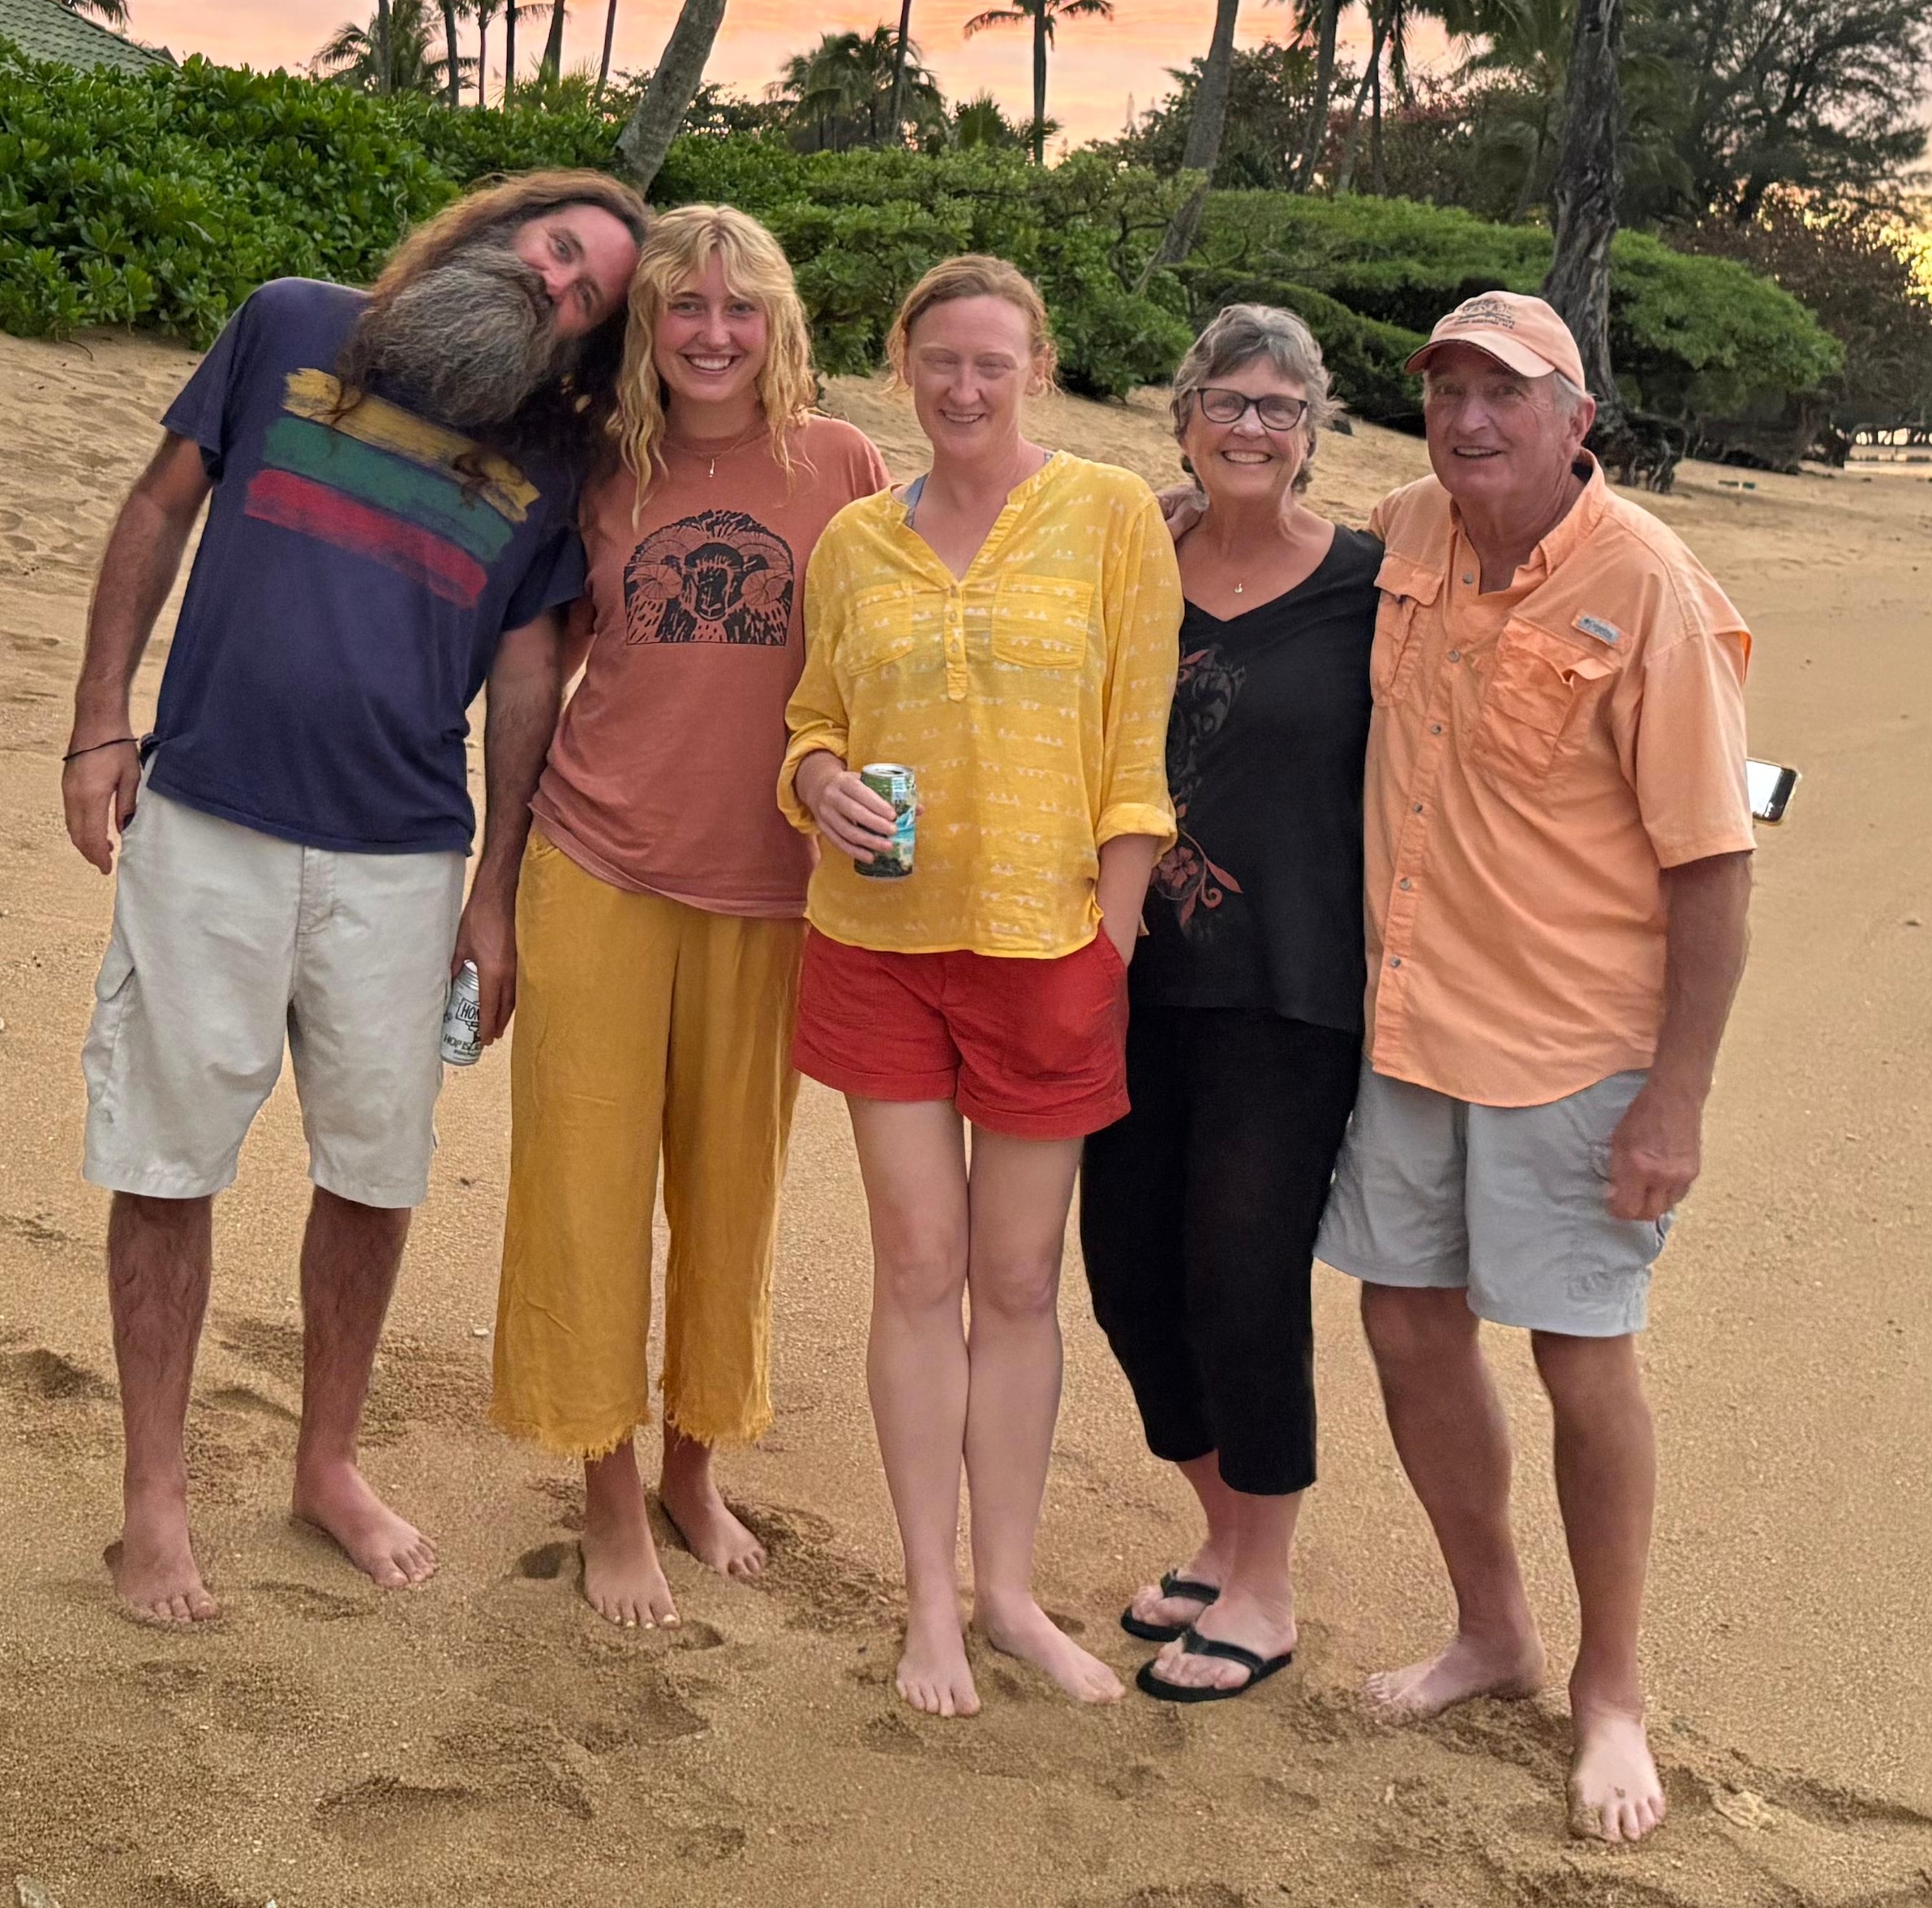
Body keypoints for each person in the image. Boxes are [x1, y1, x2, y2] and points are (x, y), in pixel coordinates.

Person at [58, 171, 646, 1622]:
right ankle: (154, 1498)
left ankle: (327, 1462)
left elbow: (528, 674)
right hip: (205, 818)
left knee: (374, 1171)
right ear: (496, 228)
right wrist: (97, 716)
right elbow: (157, 510)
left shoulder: (547, 463)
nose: (554, 287)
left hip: (401, 851)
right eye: (556, 251)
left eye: (586, 301)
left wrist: (492, 889)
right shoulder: (290, 327)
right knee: (170, 1156)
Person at [1319, 289, 1757, 1843]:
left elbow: (1712, 868)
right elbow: (1260, 520)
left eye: (1508, 394)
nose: (1471, 419)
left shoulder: (1650, 590)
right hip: (1411, 1026)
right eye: (1446, 389)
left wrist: (1677, 1096)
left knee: (1584, 1356)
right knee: (1406, 1324)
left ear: (1580, 419)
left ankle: (1611, 1688)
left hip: (1576, 1051)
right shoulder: (1406, 535)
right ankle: (1491, 1628)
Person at [471, 205, 890, 1628]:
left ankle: (694, 1468)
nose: (713, 333)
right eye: (683, 309)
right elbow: (533, 665)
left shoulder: (840, 464)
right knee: (582, 1186)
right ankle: (606, 1488)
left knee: (733, 1192)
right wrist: (492, 886)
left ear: (781, 325)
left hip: (773, 892)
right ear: (646, 328)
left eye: (741, 308)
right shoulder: (602, 470)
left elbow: (934, 600)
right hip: (594, 860)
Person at [780, 254, 1183, 1717]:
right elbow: (813, 718)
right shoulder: (849, 542)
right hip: (879, 949)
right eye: (939, 361)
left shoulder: (1112, 515)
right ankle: (931, 1601)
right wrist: (818, 780)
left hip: (1052, 950)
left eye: (992, 364)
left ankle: (1011, 1590)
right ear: (902, 364)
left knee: (1018, 1278)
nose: (963, 387)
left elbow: (1138, 757)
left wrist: (1108, 945)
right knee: (917, 1266)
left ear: (1037, 367)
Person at [1082, 302, 1379, 1704]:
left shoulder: (1373, 585)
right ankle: (1222, 1521)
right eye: (1229, 400)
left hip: (1293, 984)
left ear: (1314, 430)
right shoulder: (1135, 556)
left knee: (1242, 1273)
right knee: (1129, 1274)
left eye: (1281, 405)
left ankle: (1266, 1580)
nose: (1252, 426)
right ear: (1185, 413)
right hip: (1126, 970)